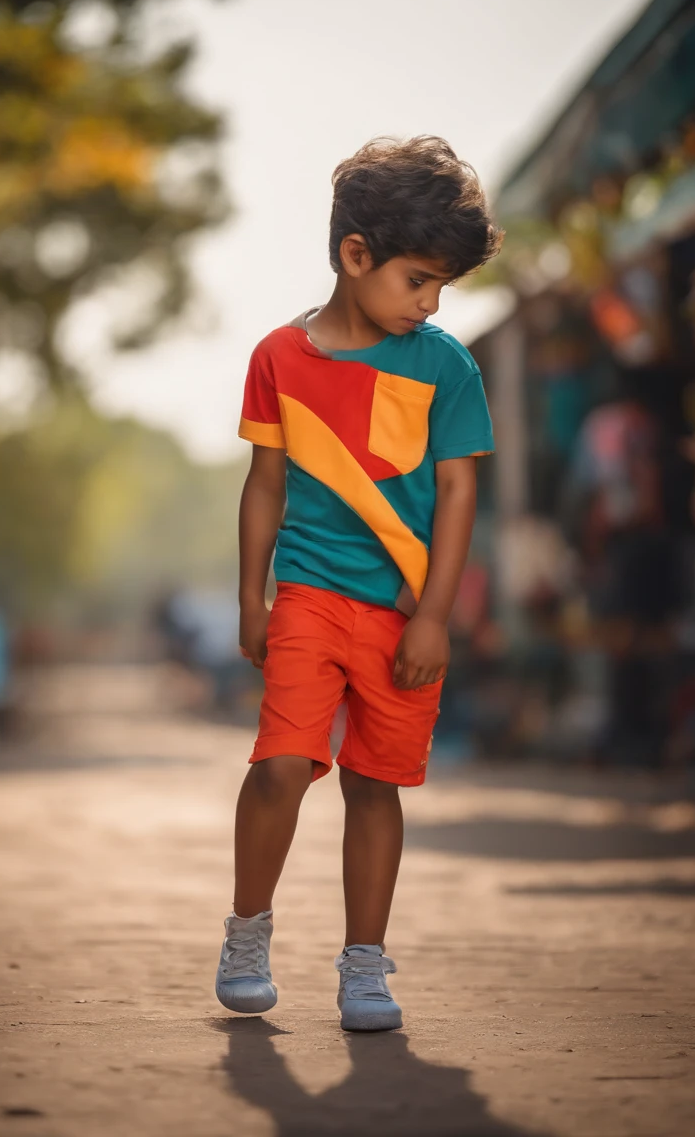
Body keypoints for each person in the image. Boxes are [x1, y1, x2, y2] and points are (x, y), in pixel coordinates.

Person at [215, 136, 501, 1031]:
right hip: (306, 595)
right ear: (355, 255)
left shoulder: (446, 364)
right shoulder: (277, 358)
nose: (430, 302)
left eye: (441, 286)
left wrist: (436, 620)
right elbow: (264, 485)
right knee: (282, 765)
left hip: (403, 613)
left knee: (376, 784)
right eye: (418, 279)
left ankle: (364, 965)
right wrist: (249, 597)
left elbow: (459, 491)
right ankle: (248, 931)